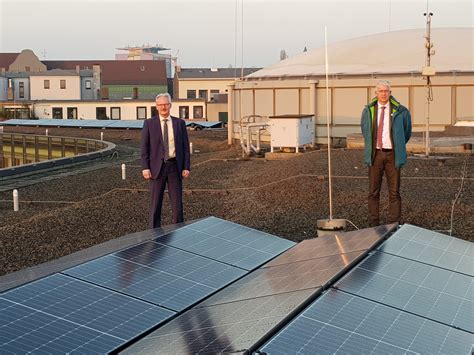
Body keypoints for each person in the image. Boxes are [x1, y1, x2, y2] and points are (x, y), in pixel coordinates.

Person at [361, 80, 412, 227]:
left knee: (394, 192)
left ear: (390, 93)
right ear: (376, 93)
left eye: (386, 91)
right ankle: (373, 224)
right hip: (375, 155)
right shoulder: (368, 110)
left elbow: (406, 132)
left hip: (393, 156)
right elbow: (365, 131)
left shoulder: (401, 111)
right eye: (381, 91)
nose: (383, 94)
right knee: (373, 192)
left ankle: (393, 224)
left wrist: (398, 145)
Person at [141, 93, 190, 228]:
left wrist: (186, 166)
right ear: (156, 107)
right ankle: (154, 233)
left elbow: (185, 147)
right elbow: (144, 147)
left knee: (177, 204)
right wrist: (145, 167)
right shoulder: (149, 123)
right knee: (155, 203)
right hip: (157, 169)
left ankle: (179, 232)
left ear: (170, 105)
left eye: (166, 104)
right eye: (160, 105)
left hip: (175, 167)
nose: (163, 107)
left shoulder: (180, 123)